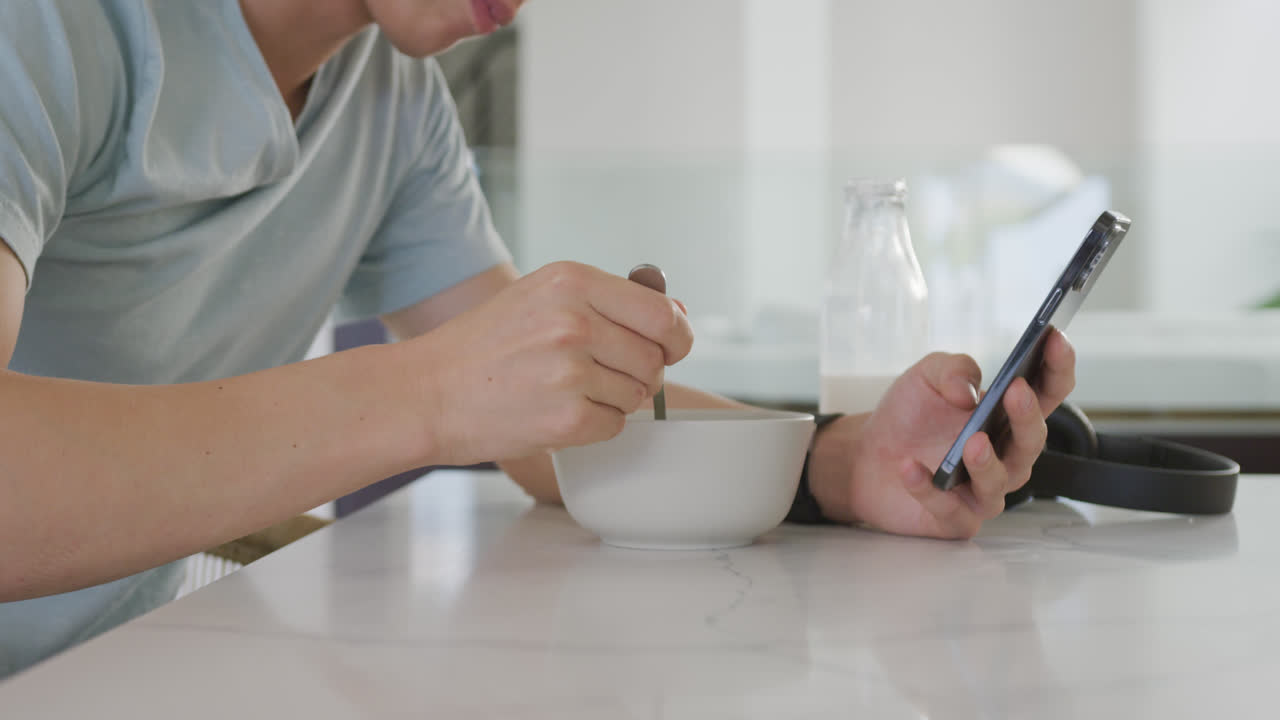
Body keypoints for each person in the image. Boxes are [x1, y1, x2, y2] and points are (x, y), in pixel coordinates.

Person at [0, 0, 1075, 678]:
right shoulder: (48, 29)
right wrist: (428, 395)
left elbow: (539, 418)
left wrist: (842, 461)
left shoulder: (393, 101)